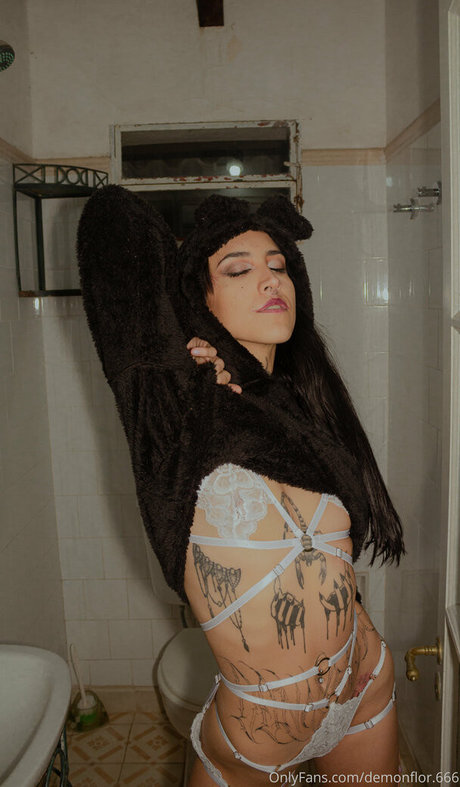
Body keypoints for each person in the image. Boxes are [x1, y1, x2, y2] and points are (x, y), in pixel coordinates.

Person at [77, 188, 405, 785]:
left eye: (279, 266)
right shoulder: (177, 409)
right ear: (199, 298)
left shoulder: (307, 410)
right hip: (258, 734)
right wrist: (185, 336)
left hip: (364, 685)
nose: (270, 280)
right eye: (238, 269)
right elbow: (112, 224)